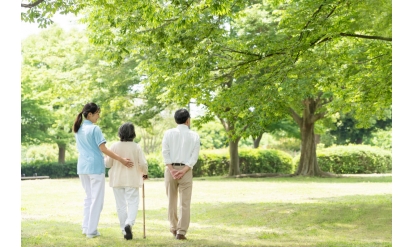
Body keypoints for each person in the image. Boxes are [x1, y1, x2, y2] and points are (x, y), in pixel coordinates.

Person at [73, 103, 134, 239]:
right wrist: (121, 159)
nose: (98, 116)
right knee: (97, 200)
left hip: (82, 167)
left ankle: (86, 227)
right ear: (90, 114)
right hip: (95, 167)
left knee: (88, 197)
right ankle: (91, 230)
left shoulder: (78, 129)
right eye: (97, 113)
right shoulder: (95, 129)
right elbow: (104, 149)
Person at [104, 122, 149, 240]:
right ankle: (129, 223)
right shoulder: (136, 147)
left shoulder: (114, 146)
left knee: (121, 205)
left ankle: (125, 230)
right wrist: (144, 173)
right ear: (133, 133)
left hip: (117, 179)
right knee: (133, 203)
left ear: (120, 133)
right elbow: (143, 163)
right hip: (132, 179)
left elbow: (108, 164)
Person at [162, 108, 200, 240]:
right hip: (186, 170)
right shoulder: (194, 135)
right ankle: (181, 232)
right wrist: (183, 170)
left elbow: (165, 152)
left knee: (171, 200)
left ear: (175, 120)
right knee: (185, 202)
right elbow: (194, 157)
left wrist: (172, 170)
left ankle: (173, 227)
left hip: (170, 169)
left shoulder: (168, 133)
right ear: (188, 120)